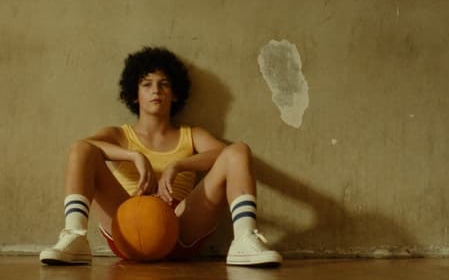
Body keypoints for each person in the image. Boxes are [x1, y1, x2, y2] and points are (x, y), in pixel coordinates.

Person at [40, 47, 282, 267]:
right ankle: (75, 236)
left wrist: (178, 165)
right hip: (128, 225)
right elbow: (84, 147)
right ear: (134, 95)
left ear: (175, 94)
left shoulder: (191, 134)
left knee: (239, 150)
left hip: (180, 226)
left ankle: (244, 238)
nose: (156, 90)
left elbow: (227, 154)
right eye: (147, 84)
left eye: (164, 84)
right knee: (81, 149)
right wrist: (133, 156)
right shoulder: (120, 135)